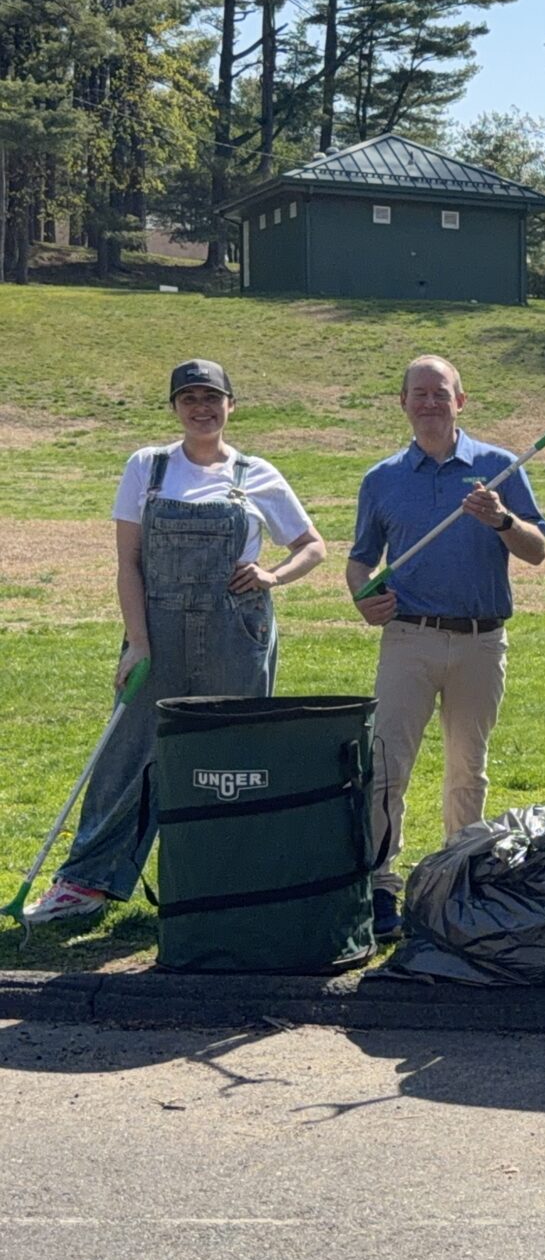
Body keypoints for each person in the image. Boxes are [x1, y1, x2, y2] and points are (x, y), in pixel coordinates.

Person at [24, 360, 327, 924]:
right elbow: (128, 564)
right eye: (188, 399)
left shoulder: (258, 473)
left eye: (211, 398)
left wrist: (273, 576)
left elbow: (313, 545)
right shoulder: (148, 467)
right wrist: (138, 644)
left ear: (231, 405)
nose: (201, 408)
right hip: (155, 634)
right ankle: (86, 883)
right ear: (175, 408)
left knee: (230, 755)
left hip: (236, 636)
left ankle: (223, 881)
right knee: (129, 752)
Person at [346, 355, 545, 940]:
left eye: (441, 393)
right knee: (386, 768)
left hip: (481, 642)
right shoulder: (382, 478)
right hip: (408, 637)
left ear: (461, 401)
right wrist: (362, 595)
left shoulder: (499, 468)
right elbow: (361, 560)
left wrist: (502, 520)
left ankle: (460, 879)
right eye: (420, 394)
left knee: (468, 771)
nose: (430, 403)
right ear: (403, 403)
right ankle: (381, 886)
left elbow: (536, 550)